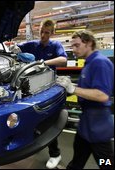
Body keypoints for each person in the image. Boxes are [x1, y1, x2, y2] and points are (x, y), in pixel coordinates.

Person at [10, 19, 67, 169]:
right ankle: (29, 145)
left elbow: (63, 60)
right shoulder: (32, 44)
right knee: (29, 118)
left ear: (52, 33)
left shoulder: (55, 45)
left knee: (49, 121)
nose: (43, 35)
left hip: (48, 89)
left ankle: (55, 154)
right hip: (31, 89)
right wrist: (13, 47)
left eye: (46, 33)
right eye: (41, 31)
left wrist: (43, 63)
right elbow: (16, 48)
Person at [57, 30, 114, 169]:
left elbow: (102, 95)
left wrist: (73, 89)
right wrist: (69, 85)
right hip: (86, 126)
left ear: (89, 43)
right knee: (78, 159)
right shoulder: (89, 63)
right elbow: (89, 88)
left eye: (77, 45)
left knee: (106, 163)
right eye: (72, 46)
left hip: (98, 127)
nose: (73, 50)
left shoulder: (100, 63)